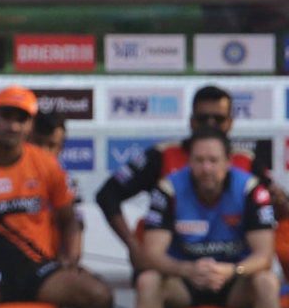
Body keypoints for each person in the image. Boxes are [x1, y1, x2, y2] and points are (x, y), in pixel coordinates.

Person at [134, 127, 280, 308]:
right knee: (147, 282)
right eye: (199, 160)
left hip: (234, 281)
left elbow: (264, 256)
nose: (206, 168)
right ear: (189, 161)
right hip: (185, 279)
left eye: (213, 160)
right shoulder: (168, 189)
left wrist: (233, 271)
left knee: (267, 283)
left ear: (228, 162)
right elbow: (152, 254)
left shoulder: (251, 189)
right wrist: (188, 270)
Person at [95, 86, 280, 269]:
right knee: (149, 279)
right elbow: (108, 194)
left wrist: (281, 203)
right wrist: (133, 244)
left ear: (230, 122)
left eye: (218, 119)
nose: (210, 124)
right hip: (172, 264)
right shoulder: (163, 154)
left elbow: (271, 209)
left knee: (265, 278)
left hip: (230, 262)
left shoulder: (245, 160)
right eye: (203, 118)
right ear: (192, 121)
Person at [0, 85, 113, 308]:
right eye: (6, 116)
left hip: (39, 270)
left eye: (21, 119)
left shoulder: (46, 163)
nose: (13, 126)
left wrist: (70, 259)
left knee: (99, 295)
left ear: (30, 124)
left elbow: (69, 219)